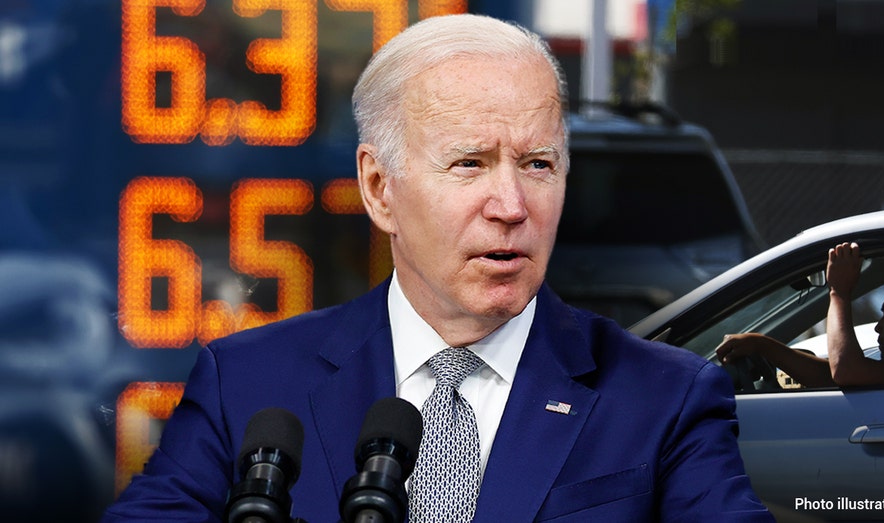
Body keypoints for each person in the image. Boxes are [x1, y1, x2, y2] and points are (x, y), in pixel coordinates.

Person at [101, 14, 773, 522]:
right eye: (468, 164)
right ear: (378, 187)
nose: (511, 206)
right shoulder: (246, 386)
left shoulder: (664, 399)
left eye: (538, 164)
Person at [716, 242, 884, 388]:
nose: (878, 326)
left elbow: (845, 372)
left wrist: (839, 293)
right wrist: (763, 345)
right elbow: (834, 376)